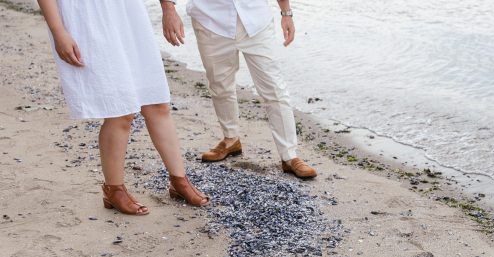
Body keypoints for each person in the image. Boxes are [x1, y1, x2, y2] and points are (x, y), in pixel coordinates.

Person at [37, 0, 209, 216]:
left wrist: (168, 7)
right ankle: (114, 189)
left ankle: (179, 180)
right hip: (88, 20)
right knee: (120, 112)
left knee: (156, 102)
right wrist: (58, 31)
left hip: (130, 15)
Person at [160, 0, 317, 179]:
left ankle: (290, 156)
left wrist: (286, 13)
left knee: (274, 89)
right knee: (219, 85)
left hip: (256, 19)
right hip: (211, 20)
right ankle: (230, 139)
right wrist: (168, 8)